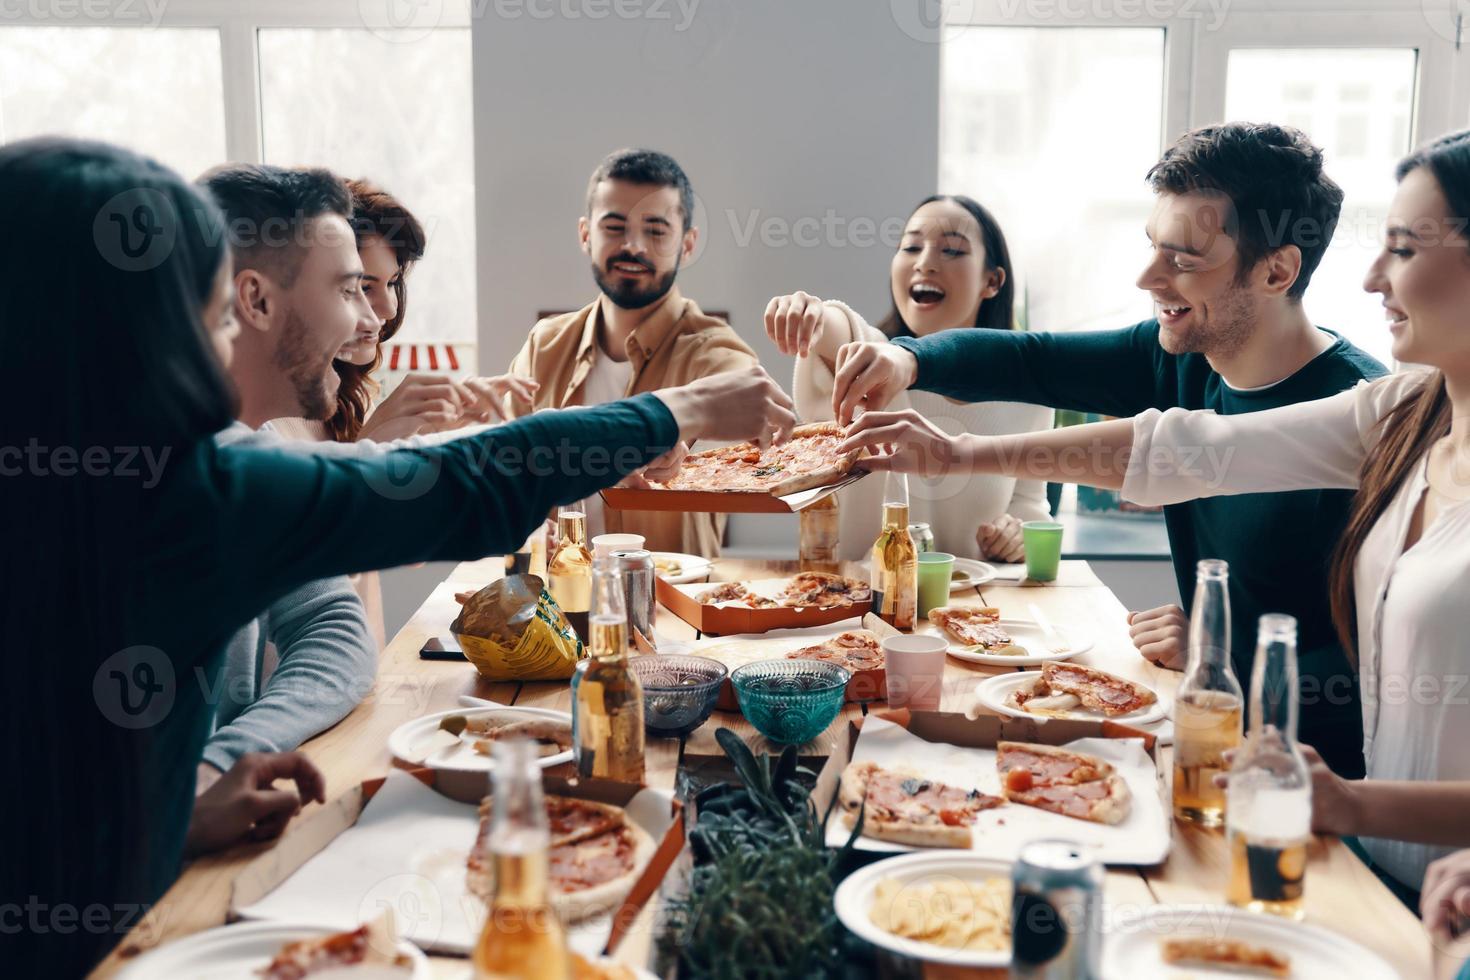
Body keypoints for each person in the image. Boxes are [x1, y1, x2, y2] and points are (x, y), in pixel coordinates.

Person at [0, 137, 795, 974]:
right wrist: (678, 409)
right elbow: (455, 482)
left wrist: (171, 809)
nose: (222, 335)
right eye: (211, 313)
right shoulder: (185, 487)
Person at [839, 129, 1470, 901]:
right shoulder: (1393, 407)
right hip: (1302, 803)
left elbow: (1374, 668)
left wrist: (1222, 656)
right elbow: (1164, 436)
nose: (1373, 277)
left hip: (1336, 799)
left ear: (1277, 271)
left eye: (1403, 249)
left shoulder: (1362, 398)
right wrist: (913, 361)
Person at [251, 175, 532, 647]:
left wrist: (437, 447)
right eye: (360, 285)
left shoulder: (334, 402)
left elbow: (395, 550)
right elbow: (300, 582)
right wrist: (374, 451)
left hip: (357, 682)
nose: (381, 309)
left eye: (392, 284)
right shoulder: (264, 422)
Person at [764, 194, 1052, 561]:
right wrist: (812, 313)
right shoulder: (878, 360)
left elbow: (1030, 505)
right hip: (861, 606)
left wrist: (1017, 533)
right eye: (911, 246)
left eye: (951, 250)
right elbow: (841, 332)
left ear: (992, 281)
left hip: (976, 607)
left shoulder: (1026, 390)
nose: (926, 263)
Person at [503, 148, 761, 555]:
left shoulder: (715, 348)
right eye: (615, 226)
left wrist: (682, 429)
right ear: (586, 235)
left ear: (688, 244)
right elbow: (503, 473)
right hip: (554, 608)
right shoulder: (544, 345)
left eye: (656, 231)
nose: (633, 246)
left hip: (674, 610)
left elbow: (749, 394)